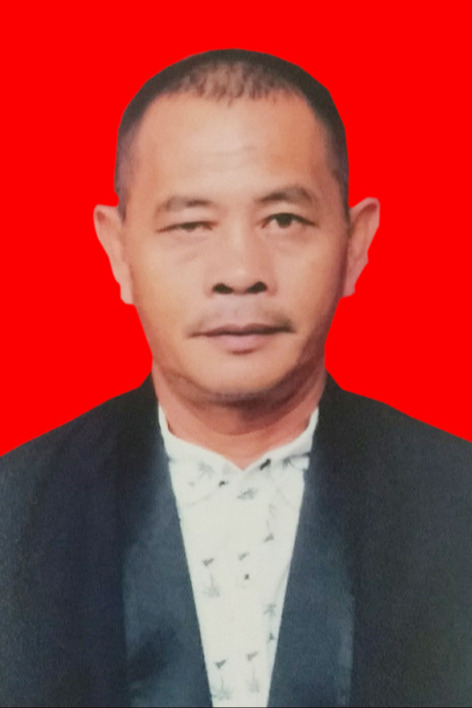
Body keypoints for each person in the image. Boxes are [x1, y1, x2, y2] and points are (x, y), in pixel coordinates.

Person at [0, 49, 470, 708]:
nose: (240, 272)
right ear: (119, 251)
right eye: (191, 225)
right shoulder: (15, 512)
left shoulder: (457, 500)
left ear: (355, 243)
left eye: (284, 220)